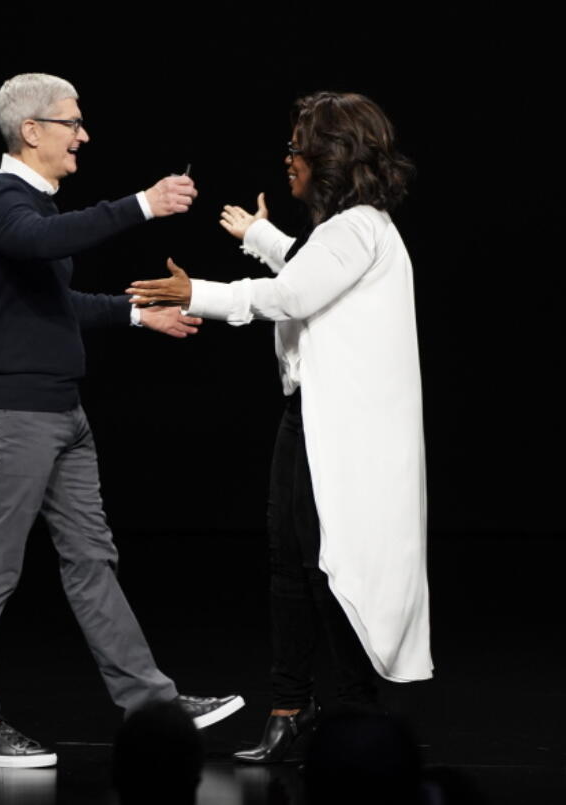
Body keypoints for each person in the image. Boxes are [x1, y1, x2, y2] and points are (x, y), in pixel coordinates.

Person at [0, 73, 243, 770]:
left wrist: (141, 314)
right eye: (71, 123)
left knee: (92, 564)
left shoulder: (32, 213)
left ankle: (152, 705)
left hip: (62, 413)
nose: (84, 134)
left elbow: (56, 304)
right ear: (31, 131)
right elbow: (45, 243)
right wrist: (142, 204)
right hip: (15, 416)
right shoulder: (2, 203)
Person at [127, 91, 432, 763]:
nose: (288, 159)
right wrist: (263, 239)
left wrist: (195, 293)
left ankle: (353, 713)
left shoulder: (358, 227)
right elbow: (309, 270)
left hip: (345, 431)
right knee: (289, 561)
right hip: (309, 418)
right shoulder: (345, 231)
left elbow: (294, 293)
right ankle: (292, 707)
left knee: (329, 565)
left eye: (297, 147)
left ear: (329, 158)